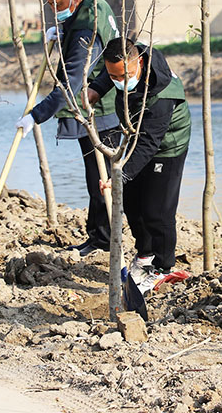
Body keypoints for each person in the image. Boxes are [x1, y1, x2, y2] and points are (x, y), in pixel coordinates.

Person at [15, 0, 121, 257]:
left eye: (58, 3)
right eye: (50, 4)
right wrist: (65, 28)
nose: (54, 9)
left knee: (102, 179)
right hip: (96, 106)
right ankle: (99, 237)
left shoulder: (87, 31)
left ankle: (107, 241)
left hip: (101, 109)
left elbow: (72, 82)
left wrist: (36, 116)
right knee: (94, 178)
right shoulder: (92, 3)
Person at [87, 38, 192, 294]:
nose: (120, 81)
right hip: (136, 135)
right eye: (114, 76)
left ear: (140, 63)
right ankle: (145, 255)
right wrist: (96, 89)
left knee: (158, 210)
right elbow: (107, 71)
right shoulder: (122, 57)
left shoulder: (162, 93)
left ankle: (163, 267)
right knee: (132, 202)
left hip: (167, 145)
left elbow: (149, 144)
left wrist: (119, 176)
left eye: (125, 75)